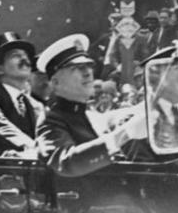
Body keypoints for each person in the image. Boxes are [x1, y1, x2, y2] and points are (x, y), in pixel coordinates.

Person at [36, 34, 147, 177]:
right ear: (56, 83)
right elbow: (65, 163)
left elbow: (135, 112)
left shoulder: (93, 117)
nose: (88, 73)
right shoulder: (51, 120)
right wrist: (123, 134)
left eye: (89, 66)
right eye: (77, 68)